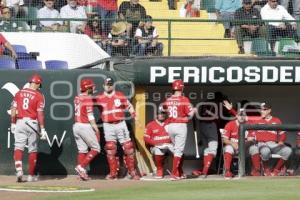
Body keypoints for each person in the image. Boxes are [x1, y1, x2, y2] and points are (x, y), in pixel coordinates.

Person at [95, 77, 140, 180]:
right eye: (107, 84)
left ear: (113, 85)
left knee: (128, 148)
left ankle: (132, 172)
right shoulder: (100, 98)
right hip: (108, 125)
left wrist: (134, 116)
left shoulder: (119, 95)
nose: (109, 86)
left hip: (120, 123)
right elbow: (87, 104)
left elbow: (129, 106)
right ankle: (113, 173)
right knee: (110, 149)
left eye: (110, 84)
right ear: (103, 86)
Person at [10, 74, 48, 182]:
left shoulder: (19, 93)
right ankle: (31, 176)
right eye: (39, 84)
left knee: (18, 148)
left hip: (20, 121)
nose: (39, 86)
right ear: (36, 83)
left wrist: (13, 123)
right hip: (32, 123)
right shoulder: (38, 95)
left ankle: (19, 170)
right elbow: (40, 114)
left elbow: (13, 109)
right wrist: (43, 129)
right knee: (32, 150)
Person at [162, 79, 196, 180]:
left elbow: (163, 110)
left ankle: (179, 172)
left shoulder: (168, 100)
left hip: (171, 126)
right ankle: (174, 173)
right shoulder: (184, 99)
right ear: (181, 87)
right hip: (180, 125)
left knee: (177, 149)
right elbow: (190, 115)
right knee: (179, 150)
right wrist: (193, 111)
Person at [248, 102, 292, 176]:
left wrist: (281, 141)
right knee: (265, 151)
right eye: (261, 109)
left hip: (273, 144)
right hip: (261, 143)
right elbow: (241, 119)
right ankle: (266, 169)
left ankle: (276, 170)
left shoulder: (277, 120)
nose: (262, 111)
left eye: (264, 109)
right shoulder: (256, 120)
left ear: (269, 110)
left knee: (288, 150)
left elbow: (282, 134)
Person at [73, 79, 101, 181]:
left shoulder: (77, 97)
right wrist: (96, 128)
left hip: (76, 125)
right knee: (96, 148)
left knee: (82, 150)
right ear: (88, 88)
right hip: (84, 126)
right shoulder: (88, 98)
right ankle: (81, 167)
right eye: (92, 87)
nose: (93, 88)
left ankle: (82, 172)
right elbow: (90, 116)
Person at [144, 110, 174, 179]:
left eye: (163, 114)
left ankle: (178, 171)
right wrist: (156, 143)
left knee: (179, 151)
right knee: (158, 150)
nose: (162, 115)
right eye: (160, 114)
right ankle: (159, 170)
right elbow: (146, 138)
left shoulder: (169, 123)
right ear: (156, 115)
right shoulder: (150, 125)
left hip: (169, 145)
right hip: (156, 146)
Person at [222, 109, 250, 178]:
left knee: (254, 148)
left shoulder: (248, 125)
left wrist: (245, 144)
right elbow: (224, 139)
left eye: (243, 115)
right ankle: (227, 171)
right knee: (228, 148)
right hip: (233, 147)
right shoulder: (230, 124)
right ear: (237, 116)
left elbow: (251, 139)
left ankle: (255, 171)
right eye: (240, 115)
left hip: (244, 148)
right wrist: (232, 143)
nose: (241, 117)